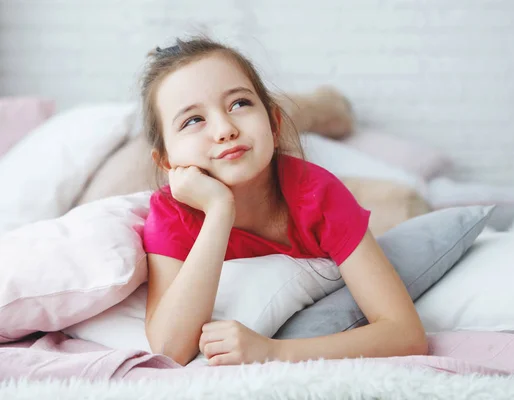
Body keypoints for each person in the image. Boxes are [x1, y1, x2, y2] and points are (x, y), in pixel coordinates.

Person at [140, 36, 428, 366]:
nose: (224, 129)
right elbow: (169, 349)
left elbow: (406, 334)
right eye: (193, 120)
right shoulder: (169, 213)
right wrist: (219, 210)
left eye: (239, 104)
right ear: (166, 162)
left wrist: (273, 352)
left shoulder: (319, 195)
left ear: (274, 125)